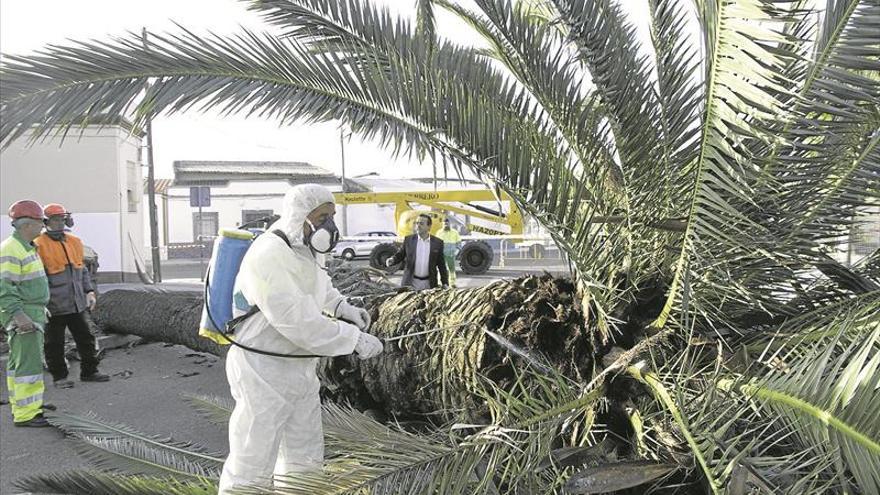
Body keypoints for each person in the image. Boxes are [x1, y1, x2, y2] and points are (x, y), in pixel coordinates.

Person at [218, 184, 384, 494]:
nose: (329, 226)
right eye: (322, 217)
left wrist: (341, 307)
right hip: (262, 369)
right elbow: (297, 321)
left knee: (304, 455)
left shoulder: (304, 248)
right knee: (253, 458)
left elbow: (317, 284)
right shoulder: (269, 253)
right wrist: (353, 339)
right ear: (300, 216)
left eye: (332, 216)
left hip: (297, 368)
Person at [33, 203, 108, 388]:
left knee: (86, 338)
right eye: (55, 219)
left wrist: (89, 291)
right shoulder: (38, 245)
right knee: (54, 344)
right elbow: (37, 278)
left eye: (61, 219)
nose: (59, 223)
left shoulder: (74, 242)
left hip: (76, 303)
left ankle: (90, 371)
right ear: (46, 222)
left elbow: (81, 270)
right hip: (53, 305)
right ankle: (60, 377)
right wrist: (41, 303)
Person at [0, 200, 52, 427]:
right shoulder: (12, 249)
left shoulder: (25, 246)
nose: (42, 227)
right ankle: (27, 413)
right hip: (24, 314)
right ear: (27, 224)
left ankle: (24, 404)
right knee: (28, 365)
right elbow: (5, 287)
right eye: (40, 222)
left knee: (17, 363)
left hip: (31, 310)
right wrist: (19, 316)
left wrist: (40, 307)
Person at [385, 214, 449, 290]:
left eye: (421, 223)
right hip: (411, 283)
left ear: (429, 226)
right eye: (417, 223)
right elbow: (400, 254)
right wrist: (393, 259)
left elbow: (441, 265)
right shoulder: (409, 240)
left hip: (429, 284)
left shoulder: (437, 243)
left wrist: (445, 283)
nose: (418, 225)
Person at [435, 218, 462, 288]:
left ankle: (452, 283)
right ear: (442, 224)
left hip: (451, 254)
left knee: (451, 269)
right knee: (441, 269)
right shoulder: (439, 232)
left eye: (447, 223)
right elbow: (436, 244)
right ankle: (440, 283)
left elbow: (459, 244)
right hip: (441, 255)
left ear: (450, 224)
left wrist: (456, 252)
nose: (446, 225)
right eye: (445, 223)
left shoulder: (455, 232)